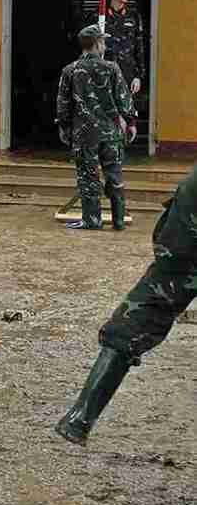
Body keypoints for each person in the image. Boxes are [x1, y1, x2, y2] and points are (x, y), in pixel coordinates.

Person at [56, 162, 197, 445]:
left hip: (183, 246)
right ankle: (80, 418)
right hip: (184, 246)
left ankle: (79, 418)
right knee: (134, 321)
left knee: (135, 319)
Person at [57, 25, 135, 230]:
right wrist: (131, 122)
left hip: (84, 134)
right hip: (111, 132)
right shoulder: (112, 68)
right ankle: (118, 219)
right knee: (115, 174)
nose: (105, 45)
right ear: (98, 43)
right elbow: (124, 98)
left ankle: (92, 219)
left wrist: (64, 128)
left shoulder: (70, 70)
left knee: (88, 176)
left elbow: (63, 104)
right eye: (103, 41)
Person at [100, 0, 146, 99]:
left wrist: (138, 76)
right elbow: (89, 47)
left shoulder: (134, 17)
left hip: (127, 74)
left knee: (126, 114)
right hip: (104, 73)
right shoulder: (99, 16)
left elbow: (139, 46)